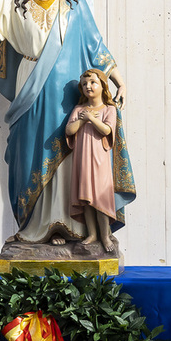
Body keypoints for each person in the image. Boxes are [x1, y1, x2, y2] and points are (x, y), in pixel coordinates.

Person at [0, 0, 135, 245]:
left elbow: (95, 46)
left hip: (70, 90)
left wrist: (119, 82)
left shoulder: (74, 2)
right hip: (30, 83)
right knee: (30, 151)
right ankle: (37, 226)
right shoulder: (16, 2)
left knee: (71, 153)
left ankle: (71, 226)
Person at [65, 69, 118, 251]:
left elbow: (107, 130)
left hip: (100, 160)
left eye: (93, 82)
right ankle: (92, 233)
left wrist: (91, 119)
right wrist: (83, 119)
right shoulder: (79, 109)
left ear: (103, 86)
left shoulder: (109, 109)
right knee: (86, 199)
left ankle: (105, 235)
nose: (88, 86)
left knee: (101, 199)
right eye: (85, 84)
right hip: (82, 159)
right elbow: (69, 131)